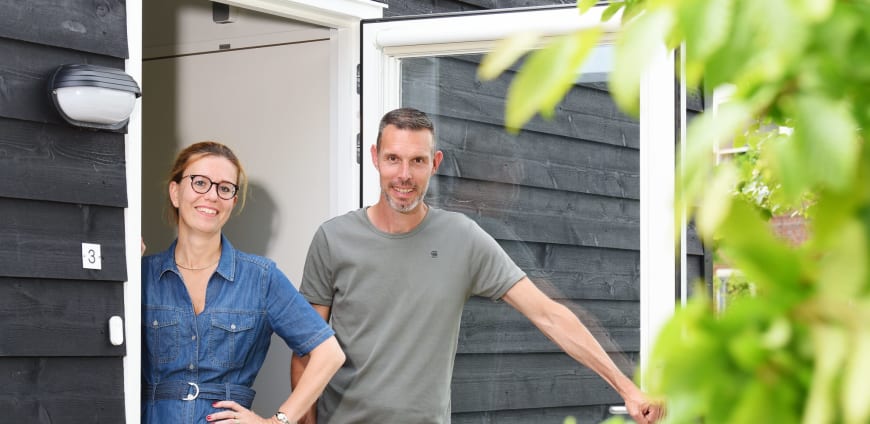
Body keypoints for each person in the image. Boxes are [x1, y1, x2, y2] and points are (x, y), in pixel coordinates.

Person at [290, 108, 664, 423]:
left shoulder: (463, 238)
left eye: (417, 161)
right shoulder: (333, 238)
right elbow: (306, 350)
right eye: (393, 159)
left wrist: (627, 388)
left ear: (434, 163)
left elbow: (549, 315)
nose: (404, 175)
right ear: (375, 157)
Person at [142, 141, 345, 424]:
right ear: (175, 192)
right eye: (200, 182)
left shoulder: (261, 277)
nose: (212, 195)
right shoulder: (143, 275)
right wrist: (121, 267)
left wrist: (277, 421)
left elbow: (329, 354)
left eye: (225, 188)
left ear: (233, 202)